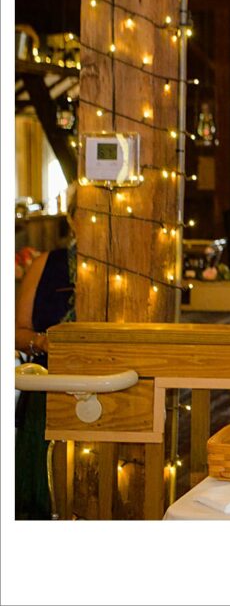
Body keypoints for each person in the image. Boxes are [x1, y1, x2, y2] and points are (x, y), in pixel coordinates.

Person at [14, 189, 77, 520]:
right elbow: (17, 331)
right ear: (73, 217)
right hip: (46, 383)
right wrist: (42, 341)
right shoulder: (45, 264)